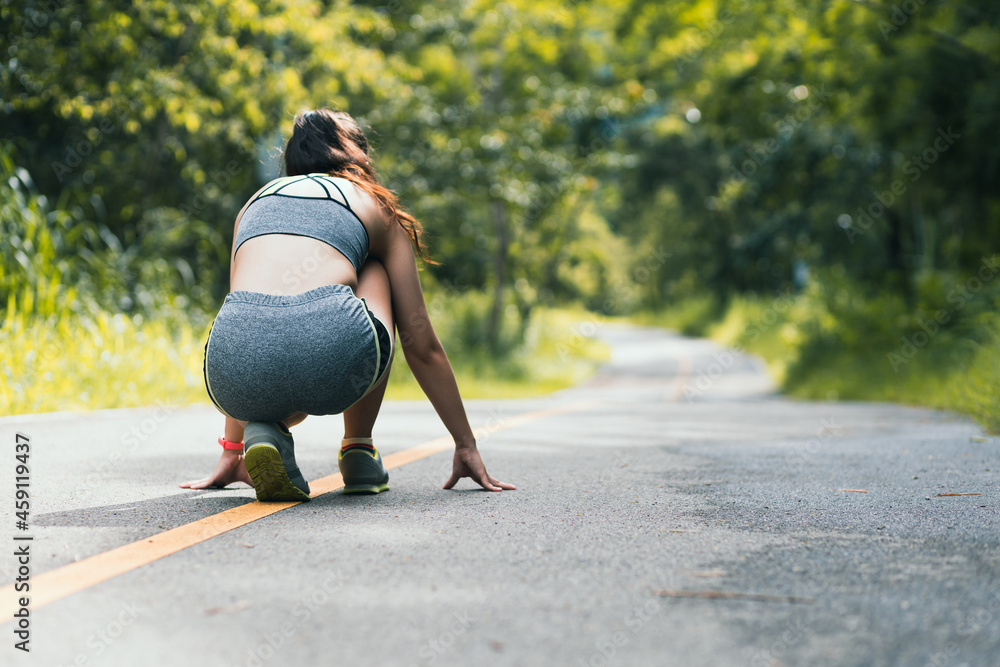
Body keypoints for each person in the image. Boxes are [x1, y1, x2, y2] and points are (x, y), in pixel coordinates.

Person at [180, 108, 515, 501]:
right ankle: (358, 448)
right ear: (358, 153)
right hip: (330, 357)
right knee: (373, 266)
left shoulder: (254, 203)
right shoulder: (372, 203)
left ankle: (262, 432)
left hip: (227, 370)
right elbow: (419, 342)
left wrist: (231, 450)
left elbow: (251, 312)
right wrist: (465, 444)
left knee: (263, 316)